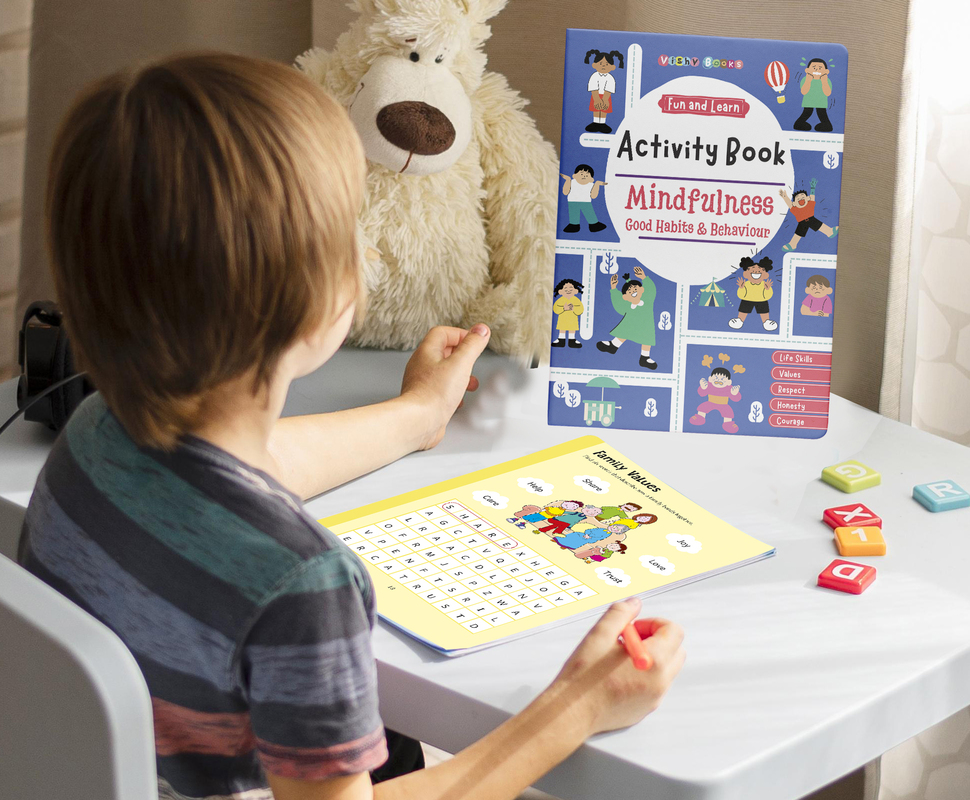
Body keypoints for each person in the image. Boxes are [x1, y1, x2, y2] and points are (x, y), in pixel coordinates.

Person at [18, 53, 685, 800]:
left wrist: (418, 415)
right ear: (314, 302)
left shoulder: (94, 438)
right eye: (350, 226)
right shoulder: (299, 583)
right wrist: (578, 705)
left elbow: (258, 465)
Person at [596, 266, 659, 369]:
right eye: (629, 291)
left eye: (635, 289)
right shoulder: (627, 306)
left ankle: (645, 357)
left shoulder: (647, 300)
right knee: (625, 330)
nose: (633, 291)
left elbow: (651, 290)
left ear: (642, 290)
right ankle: (613, 345)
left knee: (646, 339)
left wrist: (644, 277)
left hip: (645, 326)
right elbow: (618, 305)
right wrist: (613, 289)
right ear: (625, 297)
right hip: (630, 325)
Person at [779, 180, 838, 252]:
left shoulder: (810, 205)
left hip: (811, 219)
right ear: (794, 203)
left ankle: (829, 232)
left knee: (817, 224)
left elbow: (812, 197)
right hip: (802, 222)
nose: (801, 199)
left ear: (807, 198)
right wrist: (785, 197)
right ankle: (792, 244)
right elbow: (789, 204)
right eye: (798, 198)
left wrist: (812, 188)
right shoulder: (795, 209)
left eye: (803, 197)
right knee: (799, 232)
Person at [729, 255, 777, 332]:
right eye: (752, 270)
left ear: (765, 274)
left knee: (764, 311)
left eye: (760, 270)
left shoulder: (764, 284)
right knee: (743, 310)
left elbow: (768, 296)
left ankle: (766, 321)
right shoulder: (746, 284)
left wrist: (767, 289)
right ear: (746, 273)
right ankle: (739, 320)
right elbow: (741, 295)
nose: (756, 272)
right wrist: (741, 288)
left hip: (761, 300)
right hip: (747, 300)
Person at [690, 367, 742, 433]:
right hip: (710, 402)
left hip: (724, 404)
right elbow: (702, 394)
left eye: (722, 379)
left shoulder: (729, 388)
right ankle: (699, 418)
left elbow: (737, 399)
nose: (719, 381)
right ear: (710, 379)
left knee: (728, 412)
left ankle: (728, 424)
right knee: (703, 407)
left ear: (729, 382)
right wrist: (703, 388)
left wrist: (734, 393)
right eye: (716, 378)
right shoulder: (709, 385)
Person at [583, 49, 624, 133]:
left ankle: (602, 123)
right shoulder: (594, 76)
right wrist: (597, 99)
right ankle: (595, 122)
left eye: (607, 64)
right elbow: (593, 88)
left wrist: (605, 99)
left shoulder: (610, 78)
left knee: (604, 109)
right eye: (601, 63)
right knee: (596, 109)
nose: (603, 66)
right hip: (595, 96)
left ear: (612, 67)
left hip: (606, 96)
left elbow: (609, 89)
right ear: (594, 65)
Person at [561, 164, 608, 233]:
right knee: (574, 214)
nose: (584, 176)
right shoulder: (572, 182)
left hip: (586, 202)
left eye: (587, 175)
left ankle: (594, 225)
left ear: (591, 179)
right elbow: (565, 192)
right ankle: (574, 225)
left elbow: (593, 196)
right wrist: (567, 180)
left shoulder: (591, 185)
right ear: (575, 175)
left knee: (589, 214)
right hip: (572, 201)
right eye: (581, 174)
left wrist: (597, 184)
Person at [793, 58, 834, 132]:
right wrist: (808, 80)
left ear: (826, 71)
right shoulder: (805, 79)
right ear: (807, 70)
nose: (817, 70)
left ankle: (826, 125)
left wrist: (824, 81)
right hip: (808, 102)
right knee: (806, 113)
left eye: (820, 68)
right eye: (814, 68)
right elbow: (803, 92)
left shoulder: (827, 80)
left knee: (823, 115)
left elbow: (827, 93)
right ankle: (799, 124)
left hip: (821, 103)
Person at [552, 278, 585, 348]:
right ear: (560, 291)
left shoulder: (576, 300)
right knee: (562, 329)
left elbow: (581, 309)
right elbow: (555, 309)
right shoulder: (560, 300)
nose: (568, 290)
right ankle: (561, 340)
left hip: (573, 320)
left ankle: (572, 340)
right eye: (565, 289)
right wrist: (564, 308)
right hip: (562, 319)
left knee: (572, 330)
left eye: (571, 288)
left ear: (575, 291)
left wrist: (574, 309)